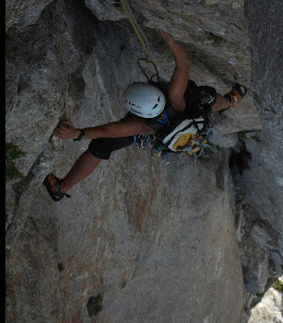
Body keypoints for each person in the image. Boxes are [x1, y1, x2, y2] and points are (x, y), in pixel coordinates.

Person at [43, 29, 246, 201]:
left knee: (102, 145)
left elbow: (107, 130)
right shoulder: (174, 99)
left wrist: (77, 134)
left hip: (173, 128)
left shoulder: (141, 126)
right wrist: (171, 42)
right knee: (206, 97)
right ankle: (230, 101)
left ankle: (61, 189)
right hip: (186, 116)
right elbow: (183, 65)